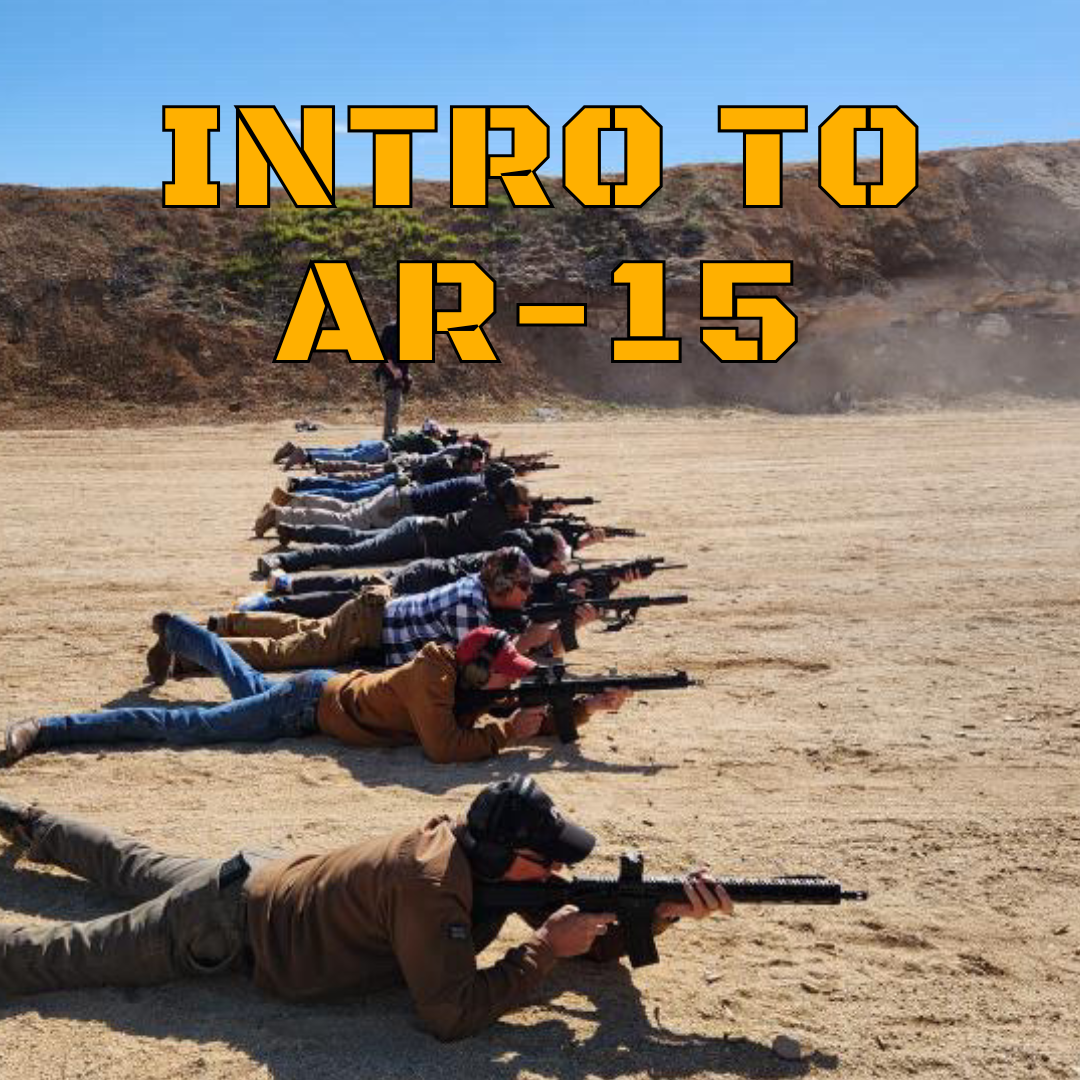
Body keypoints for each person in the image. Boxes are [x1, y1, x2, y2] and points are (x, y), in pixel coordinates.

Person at [0, 775, 732, 1039]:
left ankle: (31, 820)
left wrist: (663, 911)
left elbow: (580, 931)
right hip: (228, 922)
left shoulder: (470, 845)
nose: (564, 870)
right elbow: (446, 1015)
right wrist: (542, 949)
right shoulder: (432, 883)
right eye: (551, 860)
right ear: (509, 854)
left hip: (263, 875)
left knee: (130, 861)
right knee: (67, 955)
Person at [0, 622, 624, 766]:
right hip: (303, 707)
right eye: (502, 674)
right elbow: (446, 746)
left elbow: (511, 717)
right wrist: (507, 733)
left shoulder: (459, 681)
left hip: (314, 698)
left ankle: (178, 630)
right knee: (189, 726)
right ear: (471, 668)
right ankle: (50, 728)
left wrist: (578, 714)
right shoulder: (430, 681)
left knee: (239, 679)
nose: (508, 683)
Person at [191, 547, 571, 672]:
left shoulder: (479, 584)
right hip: (368, 629)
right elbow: (479, 666)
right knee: (286, 653)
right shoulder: (469, 607)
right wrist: (533, 641)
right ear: (503, 587)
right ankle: (192, 651)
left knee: (303, 628)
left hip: (372, 615)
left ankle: (225, 623)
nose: (528, 592)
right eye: (525, 586)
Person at [256, 479, 536, 579]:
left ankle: (295, 530)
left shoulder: (488, 506)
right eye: (526, 505)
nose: (528, 510)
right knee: (350, 553)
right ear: (512, 505)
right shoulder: (495, 522)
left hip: (414, 529)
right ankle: (282, 560)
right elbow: (514, 544)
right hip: (414, 537)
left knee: (353, 538)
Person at [253, 454, 497, 540]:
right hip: (398, 507)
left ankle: (290, 502)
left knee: (344, 507)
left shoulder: (472, 482)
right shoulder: (477, 491)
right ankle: (279, 514)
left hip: (398, 497)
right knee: (345, 521)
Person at [374, 321, 410, 439]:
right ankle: (389, 438)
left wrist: (406, 375)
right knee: (392, 408)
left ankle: (392, 436)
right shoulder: (390, 329)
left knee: (395, 408)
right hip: (389, 376)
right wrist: (394, 370)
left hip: (398, 378)